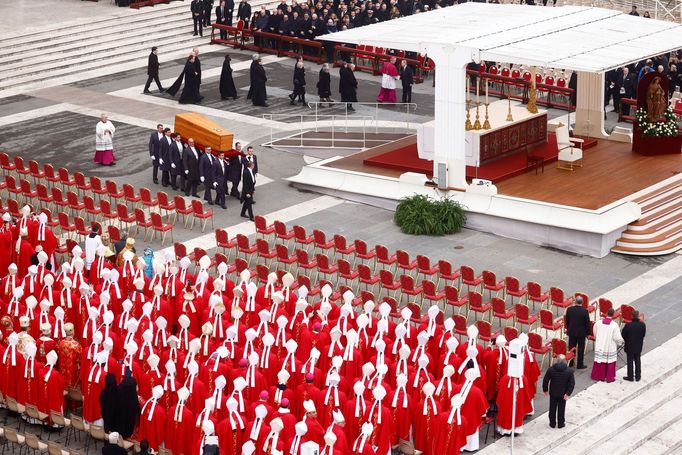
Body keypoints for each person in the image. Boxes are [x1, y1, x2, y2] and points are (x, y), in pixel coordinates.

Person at [591, 308, 624, 383]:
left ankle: (598, 375)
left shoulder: (598, 323)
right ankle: (609, 377)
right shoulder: (614, 325)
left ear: (606, 313)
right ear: (613, 315)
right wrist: (620, 342)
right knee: (609, 361)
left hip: (600, 345)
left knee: (600, 360)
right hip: (609, 346)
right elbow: (617, 337)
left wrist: (598, 338)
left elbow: (594, 331)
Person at [565, 296, 590, 369]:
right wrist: (587, 333)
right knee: (581, 349)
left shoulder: (569, 309)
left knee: (571, 347)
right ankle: (580, 364)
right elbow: (587, 323)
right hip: (581, 333)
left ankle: (571, 363)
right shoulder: (585, 311)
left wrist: (569, 328)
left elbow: (567, 320)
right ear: (582, 302)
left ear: (575, 301)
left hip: (572, 331)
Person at [622, 310, 646, 382]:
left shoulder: (628, 325)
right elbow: (643, 334)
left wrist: (627, 339)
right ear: (638, 316)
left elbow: (623, 335)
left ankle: (630, 377)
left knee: (630, 361)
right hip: (638, 346)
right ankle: (638, 376)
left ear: (631, 316)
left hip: (629, 346)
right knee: (638, 360)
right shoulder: (642, 325)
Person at [118, 368, 141, 439]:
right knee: (130, 421)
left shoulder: (122, 382)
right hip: (131, 405)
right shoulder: (133, 382)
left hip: (122, 404)